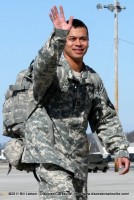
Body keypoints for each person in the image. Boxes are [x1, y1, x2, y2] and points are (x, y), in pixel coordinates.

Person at [22, 5, 130, 200]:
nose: (78, 43)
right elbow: (42, 67)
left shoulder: (92, 80)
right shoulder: (52, 73)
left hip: (79, 160)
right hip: (51, 158)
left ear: (89, 42)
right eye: (72, 39)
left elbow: (105, 118)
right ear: (64, 42)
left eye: (83, 39)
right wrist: (58, 36)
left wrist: (119, 149)